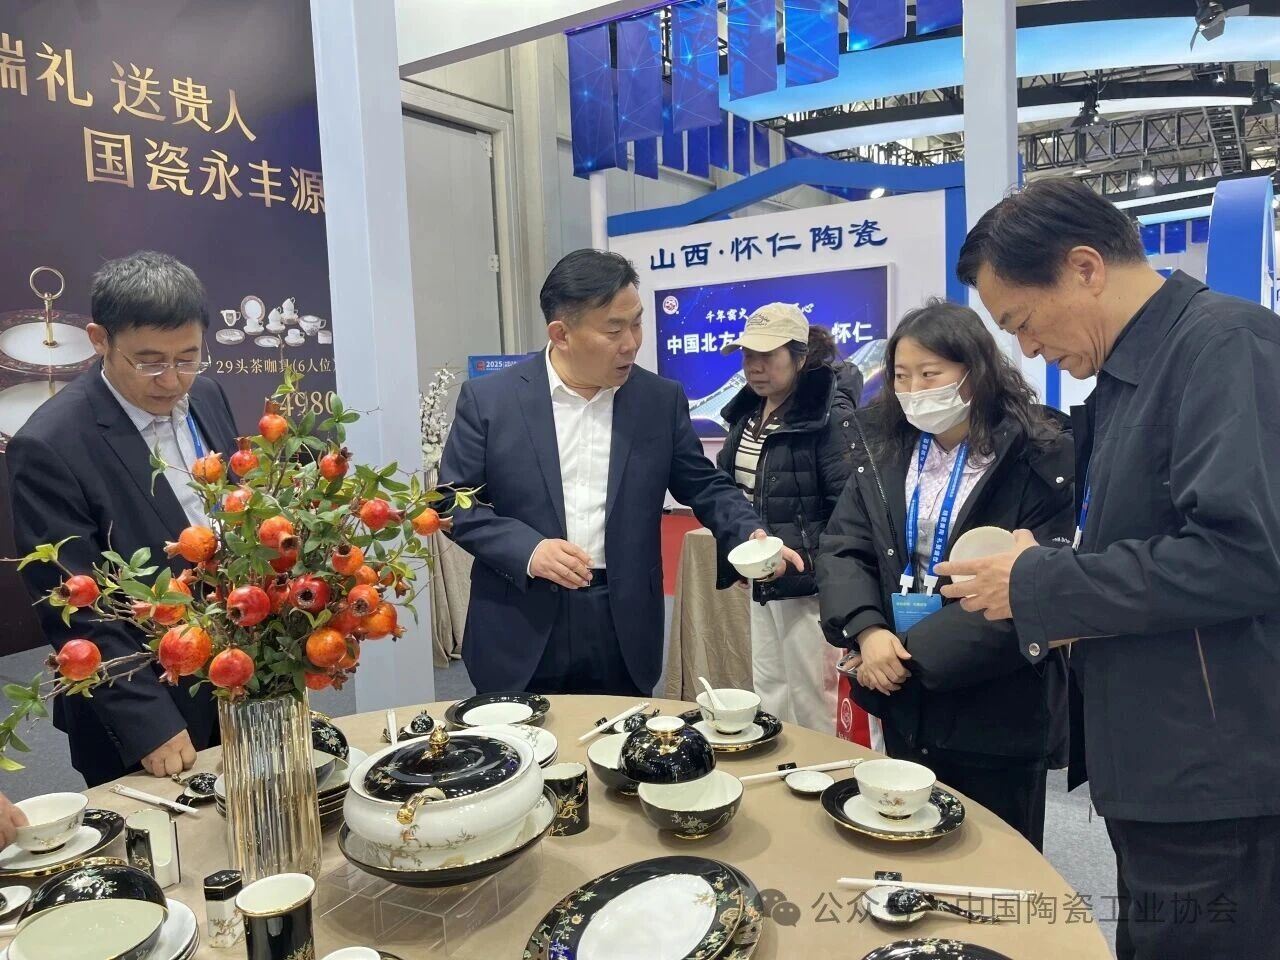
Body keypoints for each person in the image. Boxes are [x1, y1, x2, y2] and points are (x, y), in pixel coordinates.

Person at [937, 177, 1280, 959]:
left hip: (1218, 778)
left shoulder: (1225, 346)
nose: (1027, 350)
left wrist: (1040, 583)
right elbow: (1152, 540)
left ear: (1085, 267)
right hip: (1162, 761)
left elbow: (1245, 555)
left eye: (1022, 322)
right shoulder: (1132, 377)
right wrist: (1054, 565)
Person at [440, 249, 802, 696]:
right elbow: (453, 501)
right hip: (518, 617)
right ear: (561, 334)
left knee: (620, 737)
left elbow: (704, 484)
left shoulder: (658, 400)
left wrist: (749, 533)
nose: (631, 343)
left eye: (637, 323)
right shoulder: (491, 400)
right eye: (614, 329)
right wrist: (529, 549)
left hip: (621, 622)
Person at [816, 299, 1072, 848]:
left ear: (974, 371)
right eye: (901, 376)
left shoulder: (1041, 456)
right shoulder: (885, 449)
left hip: (994, 702)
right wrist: (868, 631)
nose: (913, 390)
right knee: (910, 838)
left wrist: (903, 657)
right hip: (899, 690)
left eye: (930, 374)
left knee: (995, 852)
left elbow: (1034, 585)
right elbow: (844, 547)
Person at [8, 251, 239, 787]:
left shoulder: (207, 396)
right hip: (144, 700)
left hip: (233, 674)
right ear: (99, 340)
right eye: (150, 362)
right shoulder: (50, 446)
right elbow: (74, 606)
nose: (172, 381)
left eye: (188, 357)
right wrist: (148, 723)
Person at [714, 304, 856, 731]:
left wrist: (808, 561)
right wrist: (742, 553)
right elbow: (732, 490)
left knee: (814, 697)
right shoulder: (746, 415)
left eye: (767, 355)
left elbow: (848, 510)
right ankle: (784, 764)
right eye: (747, 356)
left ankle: (825, 770)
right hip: (764, 579)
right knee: (771, 688)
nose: (754, 367)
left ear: (800, 356)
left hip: (811, 588)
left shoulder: (829, 416)